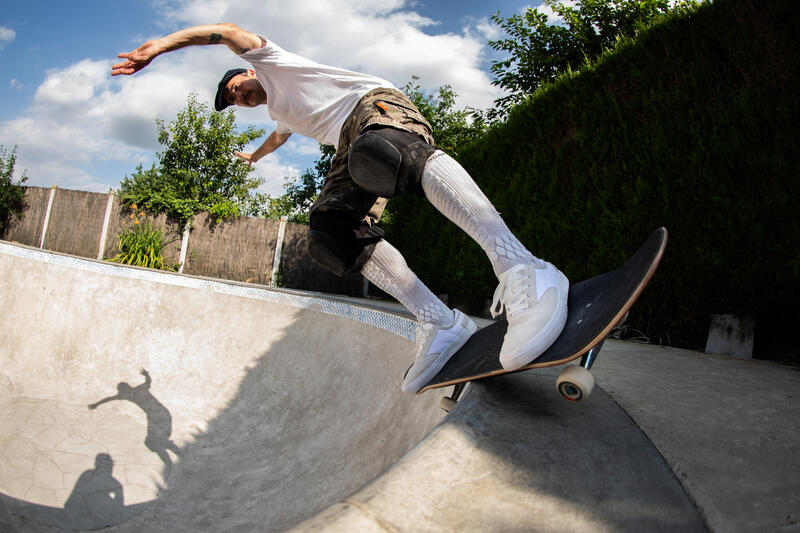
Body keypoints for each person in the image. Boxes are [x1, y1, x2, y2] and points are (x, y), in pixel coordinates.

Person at [112, 23, 569, 393]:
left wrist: (162, 46)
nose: (240, 96)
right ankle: (441, 323)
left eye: (238, 87)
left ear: (249, 74)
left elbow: (227, 31)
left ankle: (523, 266)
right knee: (331, 235)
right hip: (349, 143)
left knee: (382, 152)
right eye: (235, 100)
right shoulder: (281, 115)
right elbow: (278, 136)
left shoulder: (271, 63)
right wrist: (254, 157)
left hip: (375, 108)